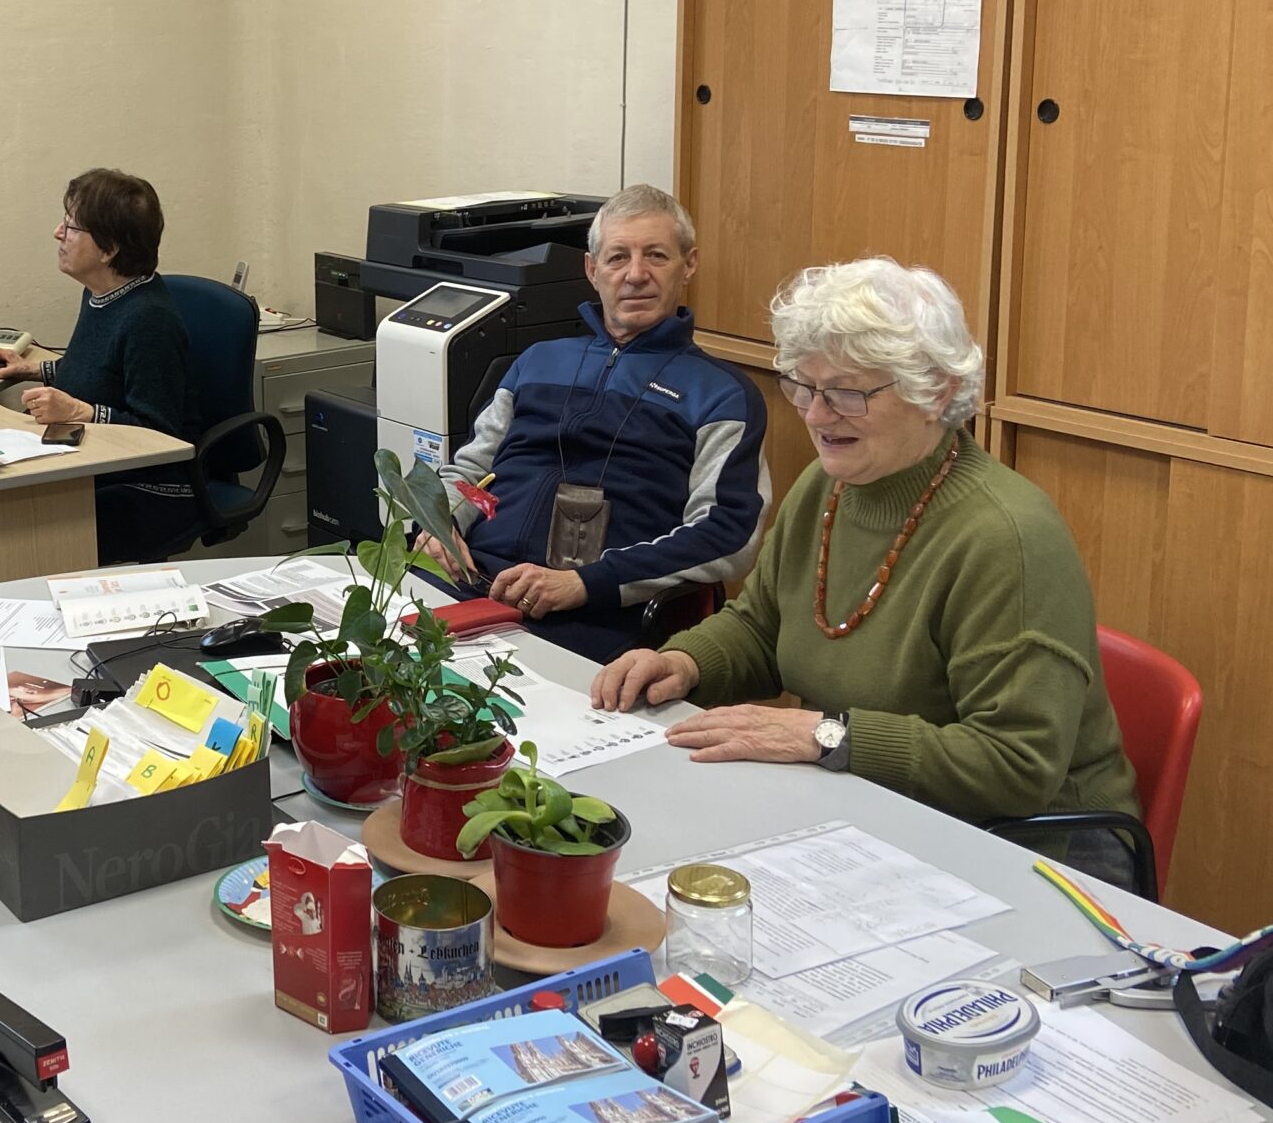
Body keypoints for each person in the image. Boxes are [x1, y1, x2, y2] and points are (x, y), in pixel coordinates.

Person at [591, 257, 1143, 884]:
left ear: (933, 391)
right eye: (804, 386)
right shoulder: (827, 487)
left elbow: (1014, 765)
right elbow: (763, 626)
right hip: (873, 808)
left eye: (849, 392)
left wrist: (828, 737)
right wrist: (683, 663)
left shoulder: (1006, 537)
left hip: (1039, 853)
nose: (817, 416)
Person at [422, 185, 771, 663]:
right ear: (592, 270)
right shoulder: (536, 361)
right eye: (617, 258)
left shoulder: (723, 394)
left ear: (688, 265)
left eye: (656, 256)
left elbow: (728, 536)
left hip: (593, 618)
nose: (635, 275)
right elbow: (468, 470)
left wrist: (585, 584)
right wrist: (436, 524)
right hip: (465, 585)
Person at [0, 168, 197, 561]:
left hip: (148, 490)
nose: (58, 233)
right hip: (95, 466)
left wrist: (80, 411)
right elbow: (102, 372)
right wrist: (32, 369)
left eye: (72, 227)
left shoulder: (149, 319)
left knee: (4, 520)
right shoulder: (101, 293)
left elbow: (159, 434)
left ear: (108, 249)